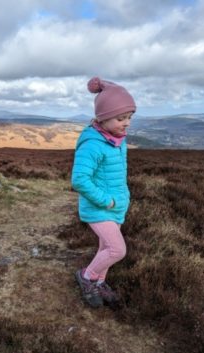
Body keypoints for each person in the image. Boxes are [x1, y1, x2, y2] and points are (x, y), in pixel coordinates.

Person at [71, 76, 136, 308]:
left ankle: (99, 283)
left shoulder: (118, 140)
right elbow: (79, 179)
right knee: (117, 250)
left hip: (116, 205)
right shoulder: (92, 144)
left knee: (105, 248)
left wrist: (119, 200)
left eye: (129, 117)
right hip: (99, 208)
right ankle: (87, 277)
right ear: (103, 118)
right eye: (121, 118)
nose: (127, 123)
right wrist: (105, 201)